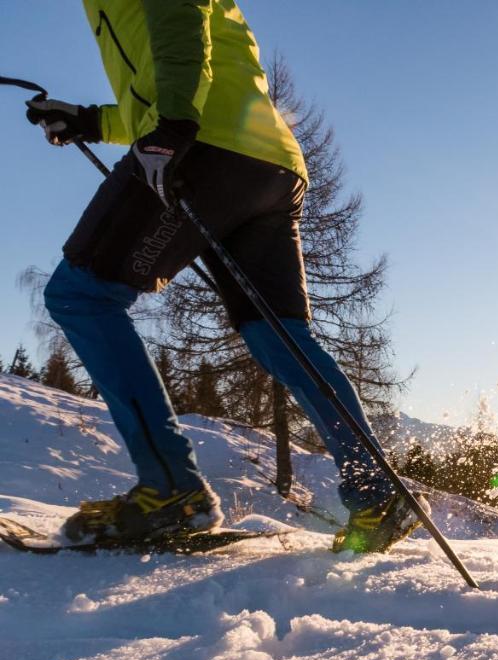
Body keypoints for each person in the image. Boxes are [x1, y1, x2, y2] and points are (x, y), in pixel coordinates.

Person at [25, 0, 422, 554]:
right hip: (268, 162)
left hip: (204, 148)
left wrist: (175, 126)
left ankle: (171, 490)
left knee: (81, 295)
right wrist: (92, 121)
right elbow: (174, 77)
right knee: (276, 332)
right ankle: (376, 490)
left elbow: (179, 27)